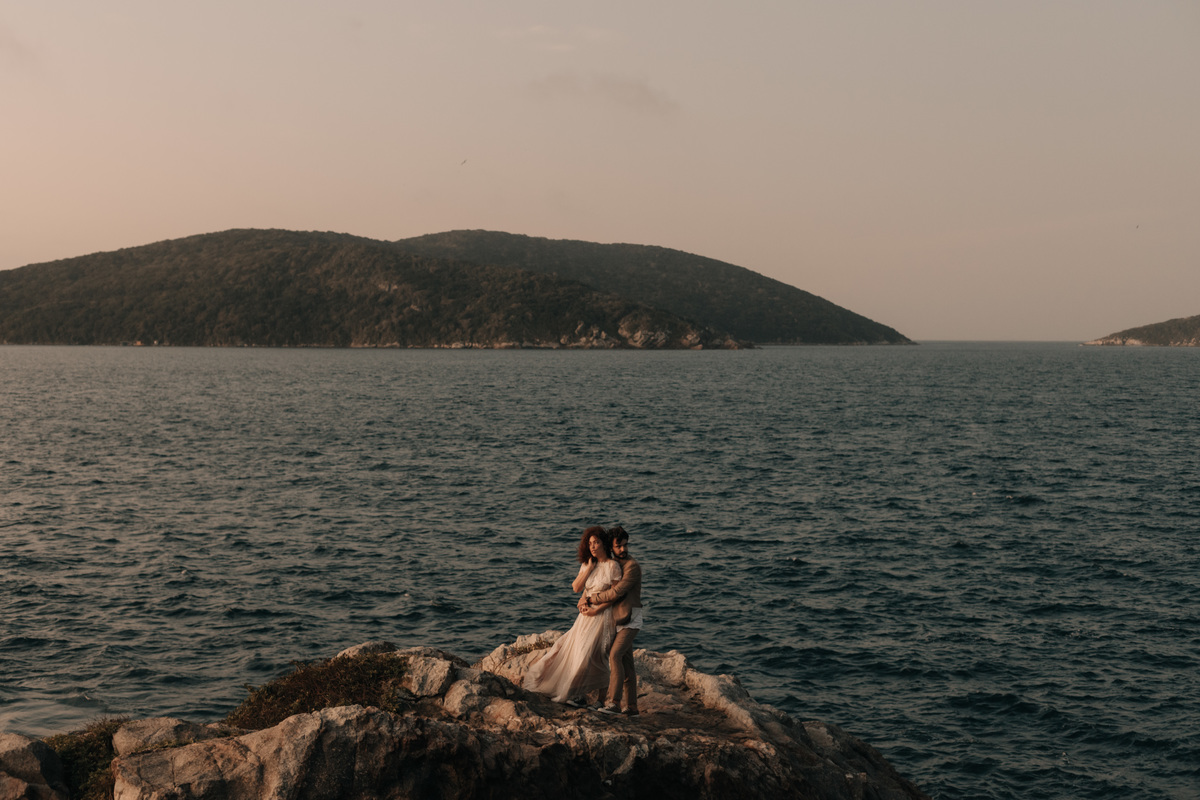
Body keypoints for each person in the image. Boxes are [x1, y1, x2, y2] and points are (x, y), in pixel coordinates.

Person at [524, 526, 623, 704]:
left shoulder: (613, 566)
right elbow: (577, 588)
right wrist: (588, 571)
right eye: (590, 543)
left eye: (596, 542)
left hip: (603, 616)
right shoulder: (587, 565)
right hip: (585, 617)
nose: (593, 546)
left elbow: (614, 597)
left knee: (596, 656)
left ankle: (600, 700)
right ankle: (577, 695)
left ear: (604, 543)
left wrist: (596, 610)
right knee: (572, 652)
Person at [579, 525, 642, 716]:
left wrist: (590, 600)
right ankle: (632, 707)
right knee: (627, 665)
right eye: (619, 546)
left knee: (614, 655)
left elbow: (616, 592)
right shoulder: (614, 564)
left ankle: (613, 703)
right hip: (617, 619)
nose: (623, 549)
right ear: (611, 547)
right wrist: (583, 598)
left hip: (630, 619)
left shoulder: (632, 567)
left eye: (625, 545)